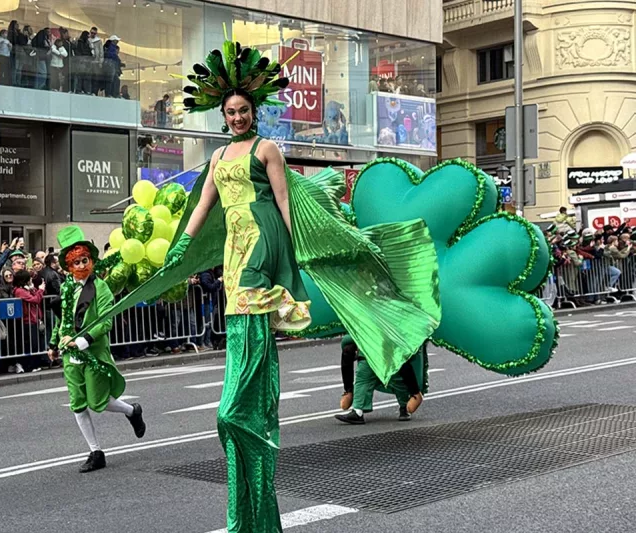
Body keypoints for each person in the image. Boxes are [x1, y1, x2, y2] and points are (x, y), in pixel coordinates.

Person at [84, 37, 440, 531]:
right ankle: (248, 460)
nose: (235, 117)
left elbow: (284, 201)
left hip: (262, 238)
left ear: (254, 111)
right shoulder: (216, 157)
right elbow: (203, 205)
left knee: (243, 346)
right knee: (238, 321)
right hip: (233, 245)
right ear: (222, 115)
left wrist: (296, 247)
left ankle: (238, 412)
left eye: (242, 110)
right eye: (229, 112)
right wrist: (183, 247)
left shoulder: (267, 148)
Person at [48, 226, 146, 472]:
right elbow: (62, 319)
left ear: (91, 260)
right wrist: (53, 342)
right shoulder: (65, 288)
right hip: (70, 353)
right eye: (75, 262)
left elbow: (106, 320)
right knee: (78, 403)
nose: (81, 265)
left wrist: (84, 341)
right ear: (68, 266)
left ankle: (131, 410)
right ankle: (95, 451)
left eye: (84, 260)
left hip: (92, 349)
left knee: (97, 401)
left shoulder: (100, 287)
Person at [335, 335, 424, 424]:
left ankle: (358, 411)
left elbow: (348, 344)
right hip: (385, 356)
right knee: (396, 380)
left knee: (364, 381)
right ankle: (404, 407)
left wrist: (348, 389)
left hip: (372, 355)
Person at [12, 270, 46, 372]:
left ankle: (35, 364)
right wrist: (40, 290)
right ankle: (29, 366)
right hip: (27, 320)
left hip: (34, 318)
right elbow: (35, 300)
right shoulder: (19, 291)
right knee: (31, 344)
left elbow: (34, 296)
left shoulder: (24, 289)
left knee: (35, 343)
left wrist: (33, 289)